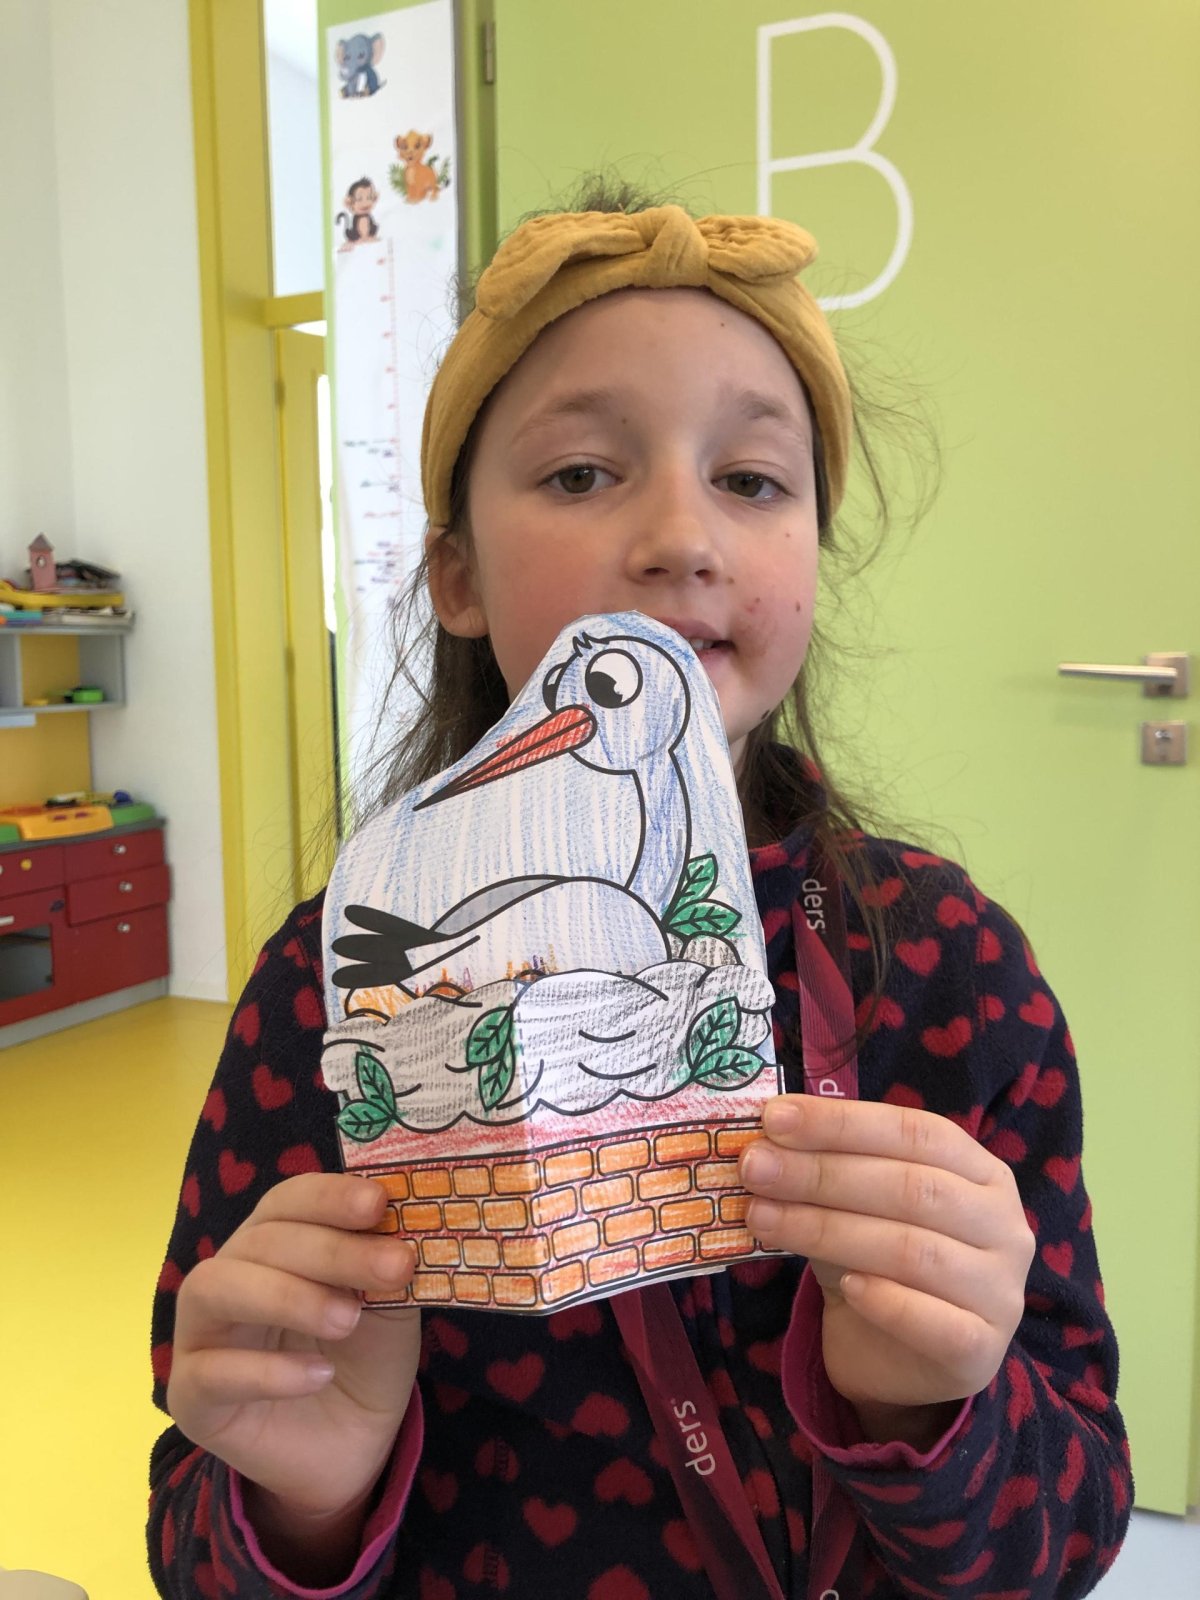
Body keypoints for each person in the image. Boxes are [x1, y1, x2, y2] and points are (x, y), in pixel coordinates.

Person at [148, 184, 1133, 1598]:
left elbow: (1072, 1531)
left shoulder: (952, 967)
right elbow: (194, 1534)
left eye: (753, 480)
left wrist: (929, 1413)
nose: (682, 534)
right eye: (579, 474)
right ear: (455, 576)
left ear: (812, 554)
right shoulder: (338, 983)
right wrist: (305, 1502)